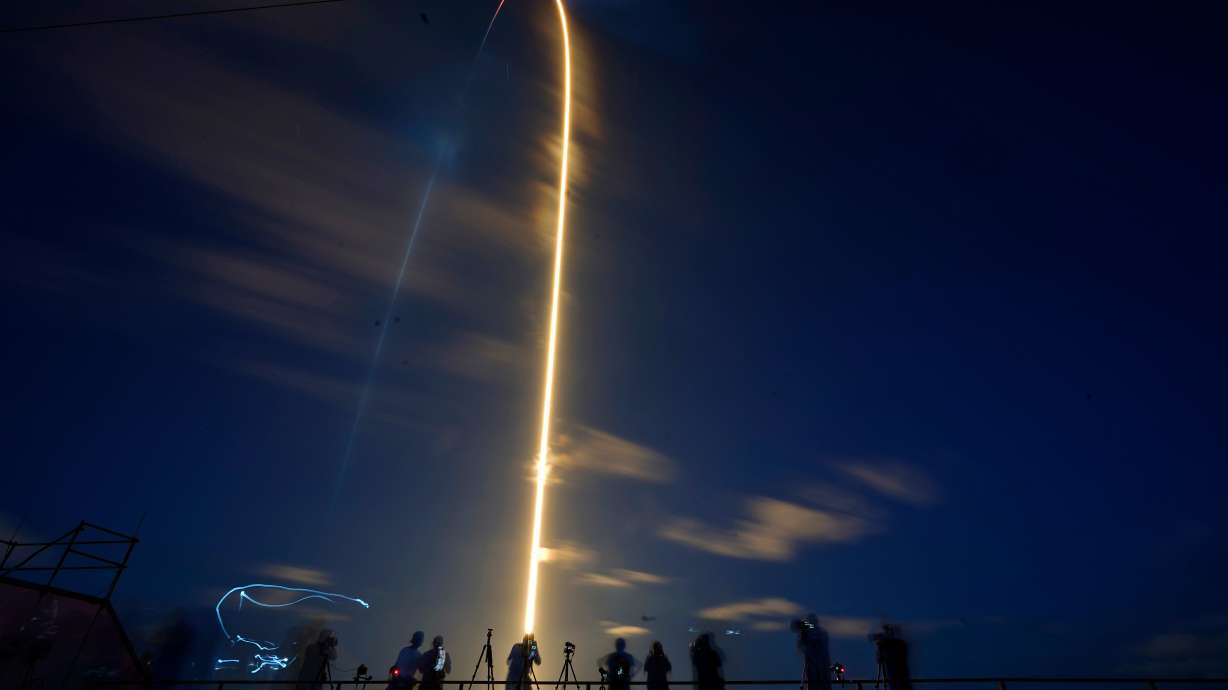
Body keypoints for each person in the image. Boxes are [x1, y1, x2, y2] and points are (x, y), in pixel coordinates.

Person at [793, 614, 831, 690]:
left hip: (817, 665)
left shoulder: (818, 633)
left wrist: (804, 631)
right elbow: (802, 647)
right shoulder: (821, 632)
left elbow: (802, 647)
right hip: (817, 665)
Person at [872, 625, 912, 690]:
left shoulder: (893, 647)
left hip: (897, 682)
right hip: (900, 681)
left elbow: (879, 660)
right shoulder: (901, 644)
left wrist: (881, 646)